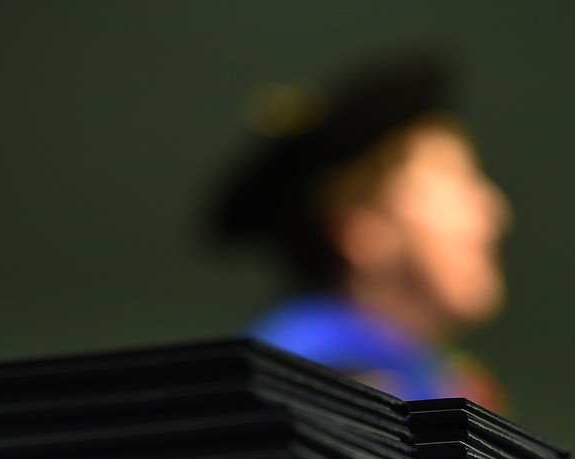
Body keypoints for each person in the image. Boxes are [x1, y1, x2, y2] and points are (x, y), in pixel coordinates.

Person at [210, 54, 510, 411]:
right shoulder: (313, 382)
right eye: (454, 181)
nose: (495, 213)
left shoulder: (433, 378)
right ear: (362, 232)